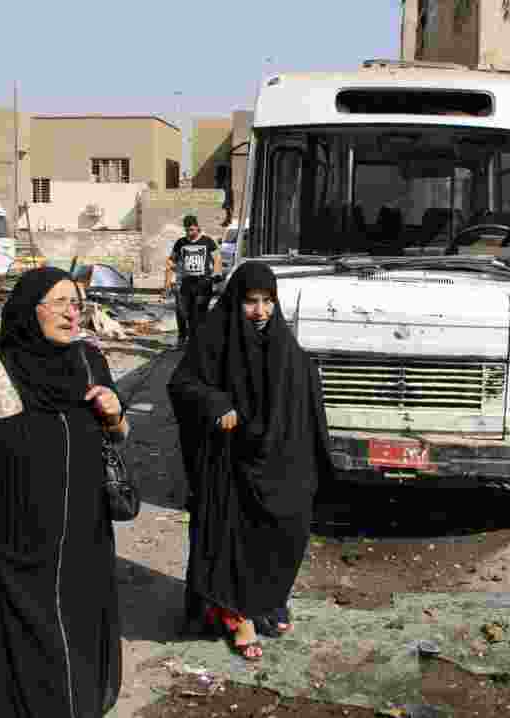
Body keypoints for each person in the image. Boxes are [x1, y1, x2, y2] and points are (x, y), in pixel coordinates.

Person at [0, 267, 129, 717]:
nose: (72, 314)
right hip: (12, 553)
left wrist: (115, 416)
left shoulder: (90, 361)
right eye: (59, 303)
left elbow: (116, 436)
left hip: (83, 546)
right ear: (29, 309)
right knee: (20, 669)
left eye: (76, 303)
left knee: (75, 653)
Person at [167, 262, 333, 661]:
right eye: (250, 302)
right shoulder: (214, 336)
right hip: (229, 462)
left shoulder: (281, 341)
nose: (259, 312)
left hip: (276, 460)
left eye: (267, 302)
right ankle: (237, 616)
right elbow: (183, 383)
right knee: (234, 538)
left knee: (284, 532)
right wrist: (215, 401)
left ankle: (267, 602)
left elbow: (301, 386)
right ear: (235, 301)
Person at [166, 215, 221, 347]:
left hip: (203, 283)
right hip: (186, 283)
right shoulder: (180, 243)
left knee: (199, 313)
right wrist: (170, 277)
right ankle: (183, 339)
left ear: (197, 227)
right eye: (187, 230)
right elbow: (171, 260)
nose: (190, 233)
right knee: (183, 312)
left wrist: (216, 275)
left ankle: (199, 341)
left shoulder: (208, 241)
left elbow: (217, 259)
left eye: (192, 230)